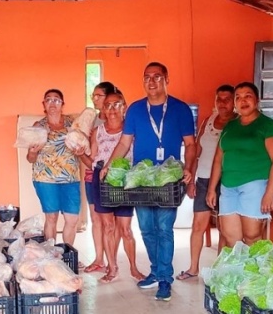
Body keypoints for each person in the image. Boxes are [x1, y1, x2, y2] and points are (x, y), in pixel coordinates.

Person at [101, 62, 196, 301]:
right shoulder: (134, 110)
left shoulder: (180, 109)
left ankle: (165, 278)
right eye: (147, 77)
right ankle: (155, 271)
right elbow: (124, 143)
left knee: (164, 228)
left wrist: (190, 168)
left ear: (166, 79)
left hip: (168, 179)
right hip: (140, 179)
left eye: (157, 77)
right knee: (146, 228)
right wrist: (109, 166)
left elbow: (191, 144)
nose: (151, 81)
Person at [206, 82, 273, 249]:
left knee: (252, 236)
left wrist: (270, 193)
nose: (243, 101)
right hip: (228, 186)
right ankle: (239, 273)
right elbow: (218, 159)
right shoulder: (230, 126)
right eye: (238, 97)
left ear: (257, 100)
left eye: (247, 96)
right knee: (230, 237)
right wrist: (212, 188)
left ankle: (254, 274)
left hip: (255, 185)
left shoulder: (268, 126)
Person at [83, 90, 145, 283]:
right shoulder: (97, 132)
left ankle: (134, 268)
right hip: (101, 179)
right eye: (108, 105)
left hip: (125, 181)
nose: (111, 109)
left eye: (116, 104)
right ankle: (112, 267)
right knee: (108, 227)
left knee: (125, 229)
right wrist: (79, 153)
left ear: (124, 106)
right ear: (103, 108)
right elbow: (92, 161)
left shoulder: (132, 130)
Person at [177, 85, 235, 280]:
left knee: (225, 229)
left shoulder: (238, 124)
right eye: (219, 99)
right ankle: (193, 268)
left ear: (234, 101)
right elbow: (197, 151)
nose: (223, 103)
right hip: (203, 179)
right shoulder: (208, 122)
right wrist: (191, 180)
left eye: (227, 99)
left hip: (227, 180)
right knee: (198, 226)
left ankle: (220, 270)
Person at [27, 89, 83, 245]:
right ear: (44, 104)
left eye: (56, 100)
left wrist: (81, 150)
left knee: (72, 218)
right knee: (51, 217)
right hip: (45, 178)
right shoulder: (38, 126)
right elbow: (30, 158)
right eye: (48, 99)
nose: (52, 103)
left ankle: (67, 254)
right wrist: (33, 152)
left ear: (62, 104)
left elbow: (83, 147)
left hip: (70, 178)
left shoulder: (73, 124)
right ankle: (51, 256)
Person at [82, 81, 116, 273]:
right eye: (93, 96)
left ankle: (112, 259)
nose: (94, 99)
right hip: (91, 175)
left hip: (112, 180)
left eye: (98, 95)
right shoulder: (92, 120)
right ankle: (99, 259)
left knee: (111, 222)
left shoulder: (117, 120)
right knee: (96, 219)